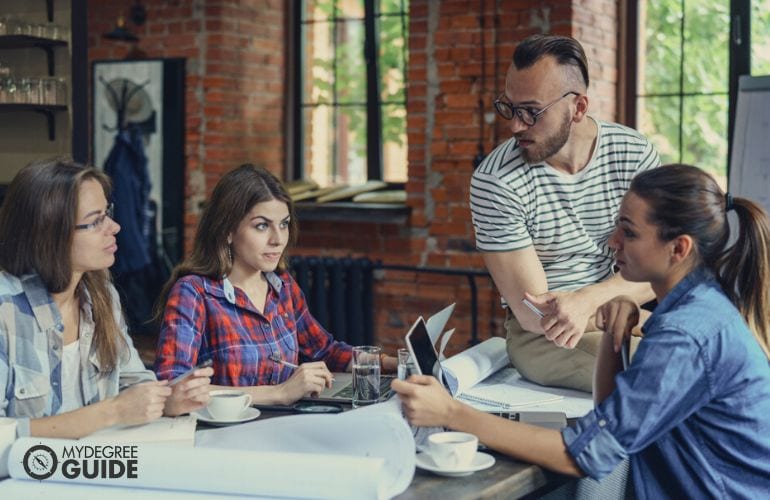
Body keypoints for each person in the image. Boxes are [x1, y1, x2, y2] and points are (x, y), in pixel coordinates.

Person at [393, 164, 770, 498]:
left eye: (629, 232)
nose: (613, 243)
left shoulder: (685, 334)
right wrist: (612, 335)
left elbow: (581, 455)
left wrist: (452, 412)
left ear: (678, 249)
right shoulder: (694, 305)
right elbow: (609, 417)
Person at [470, 34, 661, 392]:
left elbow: (660, 268)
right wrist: (625, 311)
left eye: (531, 111)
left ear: (579, 108)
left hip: (620, 312)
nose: (515, 126)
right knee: (663, 370)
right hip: (544, 339)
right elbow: (536, 315)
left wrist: (587, 301)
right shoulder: (496, 181)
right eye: (509, 107)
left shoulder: (635, 155)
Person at [0, 158, 212, 439]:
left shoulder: (101, 296)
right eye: (95, 221)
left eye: (107, 213)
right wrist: (111, 412)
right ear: (51, 232)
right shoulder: (6, 310)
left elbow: (131, 382)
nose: (114, 227)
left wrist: (167, 400)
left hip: (97, 469)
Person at [154, 164, 397, 405]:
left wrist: (390, 364)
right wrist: (280, 393)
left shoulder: (283, 287)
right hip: (223, 436)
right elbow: (173, 389)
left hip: (283, 425)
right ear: (227, 230)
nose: (278, 239)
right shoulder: (194, 293)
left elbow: (325, 351)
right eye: (262, 225)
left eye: (283, 224)